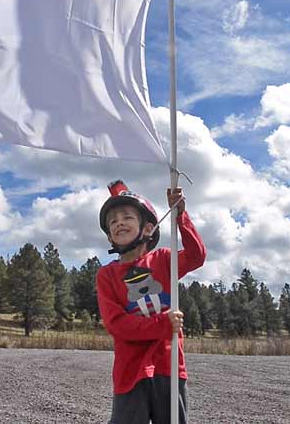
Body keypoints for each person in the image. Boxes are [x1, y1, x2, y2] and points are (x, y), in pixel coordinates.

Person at [96, 180, 206, 424]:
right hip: (129, 372)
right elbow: (117, 324)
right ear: (109, 236)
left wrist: (181, 217)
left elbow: (197, 256)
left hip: (169, 365)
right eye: (113, 221)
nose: (119, 223)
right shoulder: (107, 275)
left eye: (127, 217)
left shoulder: (164, 259)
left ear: (147, 229)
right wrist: (162, 324)